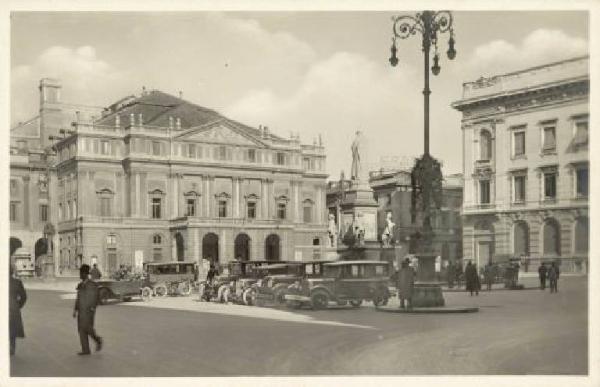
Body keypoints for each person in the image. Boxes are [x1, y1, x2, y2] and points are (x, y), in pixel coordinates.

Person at [73, 264, 103, 355]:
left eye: (81, 273)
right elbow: (78, 298)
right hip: (81, 310)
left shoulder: (92, 285)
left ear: (85, 274)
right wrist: (75, 309)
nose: (80, 275)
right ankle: (85, 349)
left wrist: (92, 307)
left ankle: (98, 340)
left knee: (88, 328)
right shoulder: (80, 285)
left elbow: (95, 297)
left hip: (89, 311)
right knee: (81, 329)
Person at [9, 264, 27, 356]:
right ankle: (11, 347)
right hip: (13, 308)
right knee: (12, 329)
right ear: (12, 272)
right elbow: (24, 297)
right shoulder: (17, 282)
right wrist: (18, 305)